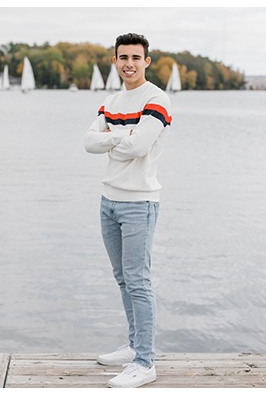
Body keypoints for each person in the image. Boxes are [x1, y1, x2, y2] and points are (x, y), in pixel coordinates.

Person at [83, 32, 171, 389]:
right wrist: (123, 136)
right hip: (109, 201)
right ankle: (134, 345)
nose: (129, 64)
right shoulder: (112, 99)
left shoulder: (157, 99)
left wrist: (116, 138)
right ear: (115, 61)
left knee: (138, 280)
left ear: (146, 61)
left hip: (139, 203)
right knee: (122, 278)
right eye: (123, 57)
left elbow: (138, 149)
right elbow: (89, 142)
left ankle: (145, 362)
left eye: (136, 57)